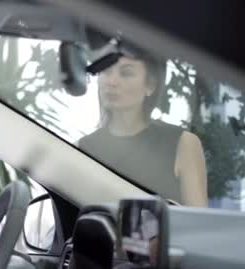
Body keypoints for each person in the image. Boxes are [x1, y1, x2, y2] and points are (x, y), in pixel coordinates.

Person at [79, 49, 208, 207]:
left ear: (151, 86)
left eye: (126, 73)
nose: (111, 82)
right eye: (105, 71)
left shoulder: (183, 143)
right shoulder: (83, 148)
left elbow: (199, 225)